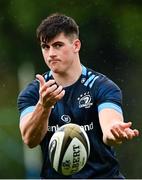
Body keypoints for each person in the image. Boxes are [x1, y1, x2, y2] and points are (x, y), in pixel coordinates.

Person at [17, 13, 139, 179]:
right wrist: (43, 106)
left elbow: (110, 127)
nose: (51, 53)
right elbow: (29, 140)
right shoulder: (33, 93)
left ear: (76, 45)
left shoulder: (102, 86)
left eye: (58, 45)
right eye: (46, 47)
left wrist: (114, 131)